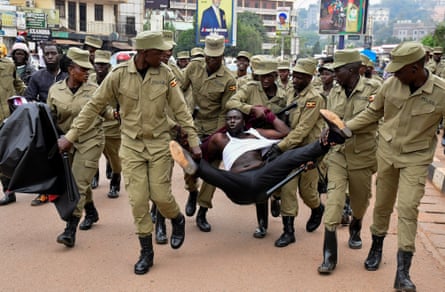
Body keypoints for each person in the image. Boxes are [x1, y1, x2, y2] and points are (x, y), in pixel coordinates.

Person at [57, 31, 201, 275]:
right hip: (132, 146)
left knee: (161, 196)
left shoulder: (166, 75)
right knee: (137, 200)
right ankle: (146, 252)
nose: (166, 54)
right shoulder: (119, 75)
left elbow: (180, 109)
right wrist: (70, 137)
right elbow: (94, 106)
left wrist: (194, 140)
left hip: (158, 145)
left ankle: (176, 219)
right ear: (145, 53)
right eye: (160, 51)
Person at [346, 41, 444, 291]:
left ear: (415, 67)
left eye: (399, 69)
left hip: (417, 156)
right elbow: (372, 113)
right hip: (387, 153)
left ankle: (403, 272)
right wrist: (346, 128)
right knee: (382, 205)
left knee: (408, 207)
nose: (393, 73)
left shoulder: (441, 92)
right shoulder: (390, 85)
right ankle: (376, 246)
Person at [169, 108, 351, 205]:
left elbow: (286, 133)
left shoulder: (257, 133)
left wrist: (269, 115)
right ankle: (192, 165)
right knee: (217, 174)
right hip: (238, 183)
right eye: (229, 119)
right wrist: (187, 142)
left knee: (287, 159)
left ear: (244, 122)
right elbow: (202, 150)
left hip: (264, 176)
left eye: (236, 118)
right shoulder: (221, 138)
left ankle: (332, 138)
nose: (232, 121)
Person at [317, 49, 380, 275]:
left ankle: (356, 225)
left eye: (338, 71)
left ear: (352, 70)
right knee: (333, 201)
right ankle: (329, 255)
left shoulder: (373, 90)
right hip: (338, 155)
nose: (334, 75)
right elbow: (330, 117)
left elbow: (373, 117)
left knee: (360, 202)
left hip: (362, 156)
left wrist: (345, 128)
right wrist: (327, 131)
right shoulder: (334, 92)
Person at [263, 58, 326, 247]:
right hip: (291, 150)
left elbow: (302, 130)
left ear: (309, 77)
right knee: (288, 188)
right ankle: (288, 231)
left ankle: (317, 208)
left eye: (299, 77)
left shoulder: (314, 98)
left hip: (308, 151)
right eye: (294, 76)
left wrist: (279, 147)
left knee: (307, 193)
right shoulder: (292, 92)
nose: (295, 79)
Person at [47, 47, 105, 245]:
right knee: (75, 179)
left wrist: (117, 114)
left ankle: (70, 229)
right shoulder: (55, 91)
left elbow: (105, 111)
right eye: (83, 69)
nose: (88, 72)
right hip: (67, 143)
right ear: (71, 69)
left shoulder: (94, 90)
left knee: (79, 182)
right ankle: (91, 210)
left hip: (91, 139)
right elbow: (51, 118)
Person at [227, 55, 287, 238]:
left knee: (279, 178)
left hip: (277, 139)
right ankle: (262, 224)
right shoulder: (251, 88)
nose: (265, 80)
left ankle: (277, 196)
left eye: (269, 76)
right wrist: (251, 109)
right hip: (254, 138)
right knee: (260, 181)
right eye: (262, 76)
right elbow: (231, 103)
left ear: (276, 75)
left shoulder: (285, 94)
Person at [181, 34, 236, 232]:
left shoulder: (229, 80)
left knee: (211, 173)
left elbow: (225, 111)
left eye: (215, 57)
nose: (211, 60)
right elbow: (179, 90)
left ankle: (203, 210)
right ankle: (192, 191)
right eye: (208, 56)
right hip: (192, 124)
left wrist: (219, 136)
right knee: (188, 166)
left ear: (222, 56)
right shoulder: (193, 67)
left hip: (215, 126)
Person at [24, 42, 69, 206]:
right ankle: (44, 192)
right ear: (43, 57)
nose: (50, 56)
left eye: (53, 53)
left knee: (67, 159)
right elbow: (28, 98)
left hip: (66, 123)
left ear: (59, 55)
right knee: (44, 159)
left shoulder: (67, 76)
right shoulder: (37, 77)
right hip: (45, 123)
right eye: (47, 54)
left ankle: (67, 189)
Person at [91, 49, 122, 200]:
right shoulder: (89, 79)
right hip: (94, 125)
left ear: (109, 65)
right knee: (92, 155)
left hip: (112, 125)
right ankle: (94, 176)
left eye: (103, 65)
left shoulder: (115, 80)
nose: (100, 68)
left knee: (115, 158)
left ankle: (115, 182)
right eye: (98, 64)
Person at [0, 42, 26, 206]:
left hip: (8, 118)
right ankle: (9, 190)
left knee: (7, 155)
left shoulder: (9, 65)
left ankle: (10, 190)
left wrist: (31, 95)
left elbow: (18, 85)